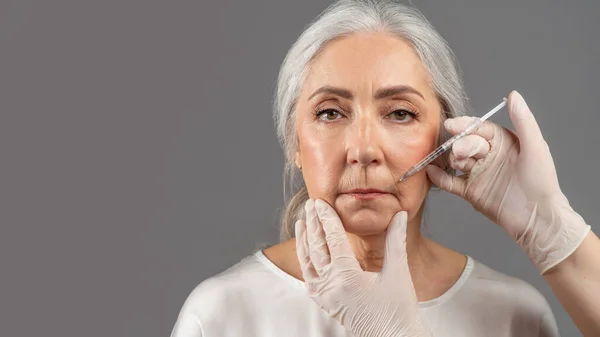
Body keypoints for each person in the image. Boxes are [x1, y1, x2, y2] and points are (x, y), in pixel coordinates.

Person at [170, 1, 596, 336]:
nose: (364, 149)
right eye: (331, 113)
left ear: (444, 138)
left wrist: (554, 230)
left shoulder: (513, 317)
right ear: (294, 143)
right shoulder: (221, 315)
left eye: (400, 114)